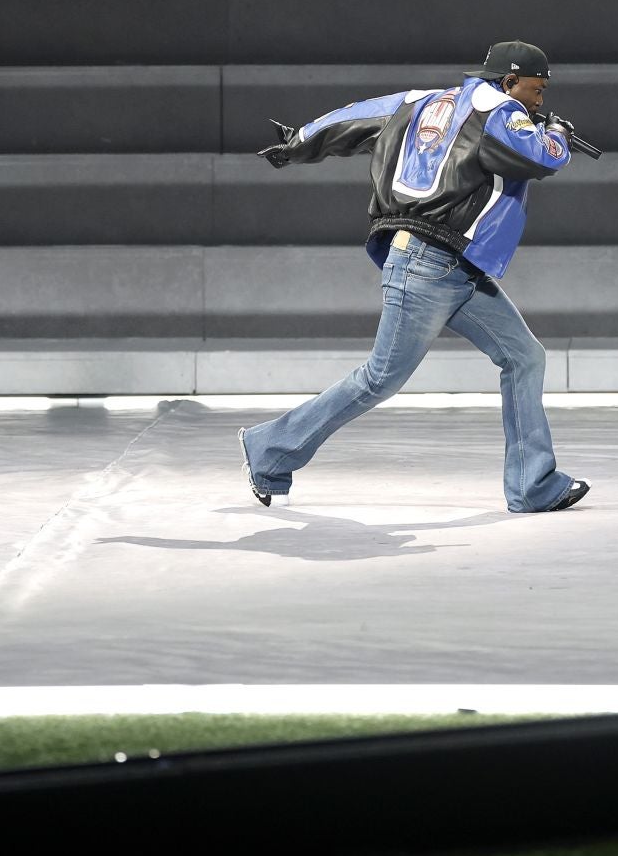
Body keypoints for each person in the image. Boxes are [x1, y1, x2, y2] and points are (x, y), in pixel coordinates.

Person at [241, 40, 592, 514]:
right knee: (379, 379)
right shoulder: (502, 110)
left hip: (452, 263)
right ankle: (268, 450)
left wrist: (298, 141)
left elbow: (351, 118)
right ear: (509, 82)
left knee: (524, 356)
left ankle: (534, 484)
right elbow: (541, 156)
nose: (540, 100)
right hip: (429, 263)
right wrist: (557, 135)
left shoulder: (418, 101)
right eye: (537, 89)